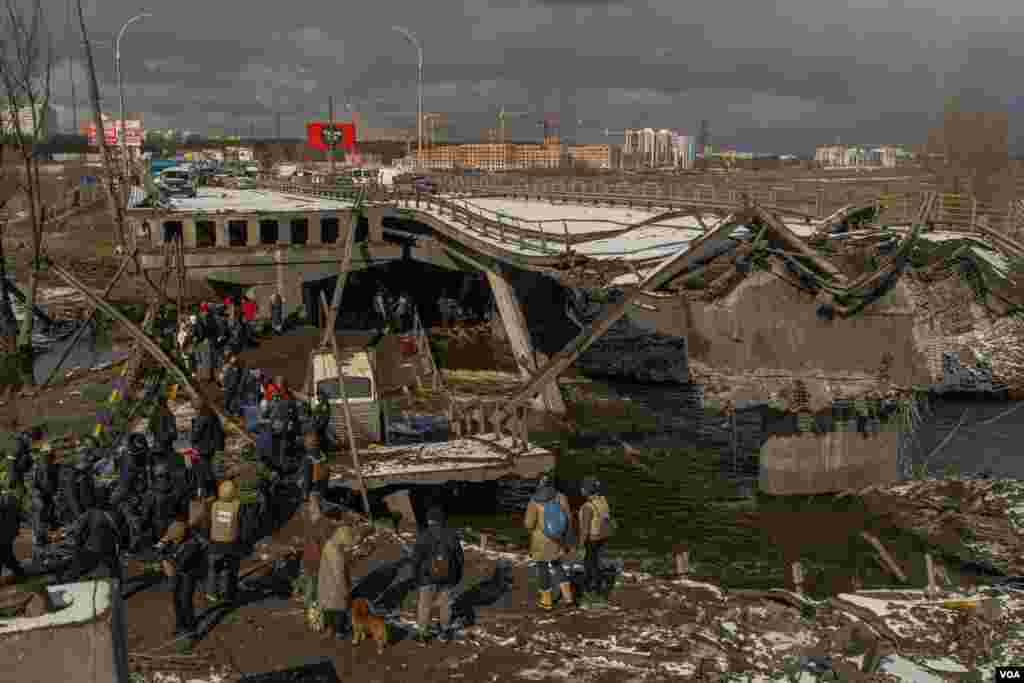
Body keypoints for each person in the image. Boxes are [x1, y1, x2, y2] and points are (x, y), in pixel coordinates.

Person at [412, 505, 464, 642]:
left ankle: (422, 634)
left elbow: (416, 559)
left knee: (424, 604)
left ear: (429, 519)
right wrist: (457, 576)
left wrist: (416, 576)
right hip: (448, 577)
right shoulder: (451, 535)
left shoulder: (424, 535)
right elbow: (459, 558)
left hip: (427, 577)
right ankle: (445, 631)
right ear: (442, 519)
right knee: (445, 604)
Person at [524, 474, 575, 610]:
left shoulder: (534, 501)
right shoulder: (561, 497)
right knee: (557, 565)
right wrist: (567, 539)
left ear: (539, 484)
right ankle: (568, 597)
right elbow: (568, 518)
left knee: (543, 568)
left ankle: (546, 601)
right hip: (558, 539)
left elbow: (529, 524)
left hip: (540, 542)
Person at [155, 519, 209, 637]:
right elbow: (158, 550)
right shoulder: (173, 537)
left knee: (185, 600)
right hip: (178, 569)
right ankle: (180, 624)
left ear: (181, 537)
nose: (171, 541)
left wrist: (165, 561)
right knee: (176, 598)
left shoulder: (192, 544)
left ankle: (191, 627)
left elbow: (179, 565)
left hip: (189, 572)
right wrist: (163, 542)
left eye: (174, 539)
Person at [61, 494, 124, 584]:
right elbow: (121, 532)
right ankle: (118, 586)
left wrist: (77, 543)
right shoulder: (115, 514)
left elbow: (78, 530)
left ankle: (67, 583)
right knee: (115, 570)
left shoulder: (91, 513)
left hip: (93, 548)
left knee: (77, 570)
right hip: (110, 548)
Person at [206, 479, 244, 604]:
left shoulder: (215, 505)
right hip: (230, 544)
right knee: (229, 569)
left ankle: (211, 593)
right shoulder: (237, 506)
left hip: (215, 543)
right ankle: (226, 593)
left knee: (213, 570)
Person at [302, 494, 336, 631]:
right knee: (310, 596)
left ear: (318, 507)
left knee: (318, 596)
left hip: (320, 566)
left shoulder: (325, 525)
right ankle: (315, 621)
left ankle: (320, 623)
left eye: (312, 504)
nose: (309, 507)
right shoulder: (309, 523)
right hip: (309, 565)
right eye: (309, 504)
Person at [318, 522, 357, 640]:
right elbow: (339, 573)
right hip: (335, 587)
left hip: (326, 583)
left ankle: (329, 629)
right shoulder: (337, 553)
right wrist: (345, 590)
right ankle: (340, 632)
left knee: (329, 608)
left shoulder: (329, 545)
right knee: (339, 608)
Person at [578, 477, 615, 596]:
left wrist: (580, 544)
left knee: (590, 564)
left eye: (582, 488)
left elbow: (585, 529)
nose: (581, 489)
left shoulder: (587, 507)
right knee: (596, 562)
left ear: (586, 490)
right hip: (603, 536)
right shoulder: (603, 500)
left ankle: (593, 587)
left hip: (592, 539)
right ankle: (597, 584)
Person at [29, 444, 59, 564]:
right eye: (49, 454)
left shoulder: (47, 466)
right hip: (42, 500)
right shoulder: (43, 466)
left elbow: (44, 484)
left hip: (44, 499)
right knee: (41, 529)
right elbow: (40, 484)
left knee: (44, 529)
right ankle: (41, 558)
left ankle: (43, 556)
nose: (50, 456)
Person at [189, 399, 225, 499]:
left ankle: (206, 495)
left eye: (196, 409)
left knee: (204, 474)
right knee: (213, 473)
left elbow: (194, 437)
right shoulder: (213, 415)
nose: (195, 411)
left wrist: (194, 424)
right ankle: (216, 494)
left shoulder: (202, 418)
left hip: (205, 450)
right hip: (214, 449)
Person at [0, 492, 26, 581]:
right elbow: (20, 517)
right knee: (6, 555)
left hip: (4, 534)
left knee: (6, 556)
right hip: (7, 533)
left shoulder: (6, 502)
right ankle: (20, 573)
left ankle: (20, 573)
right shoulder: (9, 500)